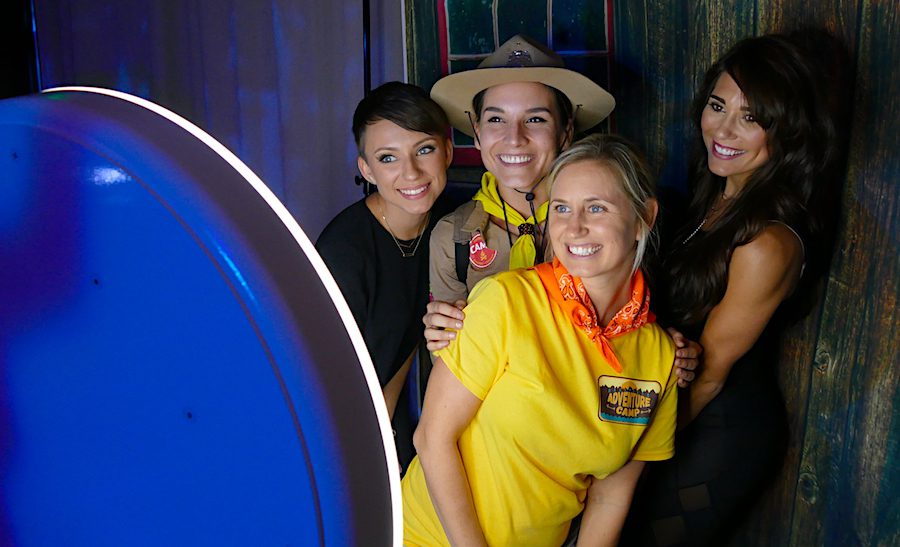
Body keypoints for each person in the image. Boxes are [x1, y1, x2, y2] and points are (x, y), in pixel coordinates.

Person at [402, 134, 679, 546]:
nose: (575, 227)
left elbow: (609, 497)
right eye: (561, 208)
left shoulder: (660, 357)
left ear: (644, 218)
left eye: (596, 208)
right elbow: (432, 438)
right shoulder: (506, 300)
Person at [621, 34, 838, 546]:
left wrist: (631, 456)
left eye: (751, 117)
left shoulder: (768, 243)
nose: (723, 129)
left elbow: (711, 375)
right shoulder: (707, 197)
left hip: (717, 431)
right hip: (667, 406)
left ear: (787, 130)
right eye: (718, 106)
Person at [425, 34, 699, 386]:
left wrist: (668, 350)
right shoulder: (454, 236)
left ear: (566, 131)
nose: (514, 138)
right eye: (496, 120)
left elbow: (636, 324)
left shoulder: (606, 224)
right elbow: (448, 367)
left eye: (535, 120)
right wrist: (442, 335)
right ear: (476, 133)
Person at [315, 82, 453, 472]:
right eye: (388, 158)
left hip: (398, 415)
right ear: (367, 170)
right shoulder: (345, 252)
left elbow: (405, 338)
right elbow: (325, 377)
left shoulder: (450, 227)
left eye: (423, 150)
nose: (411, 172)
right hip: (342, 431)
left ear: (447, 151)